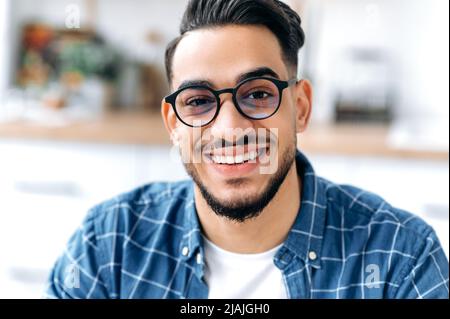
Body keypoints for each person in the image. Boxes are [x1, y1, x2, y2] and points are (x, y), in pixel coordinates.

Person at [46, 0, 449, 299]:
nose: (230, 130)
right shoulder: (108, 243)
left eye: (257, 94)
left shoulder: (402, 258)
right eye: (198, 101)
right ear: (173, 124)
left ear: (301, 108)